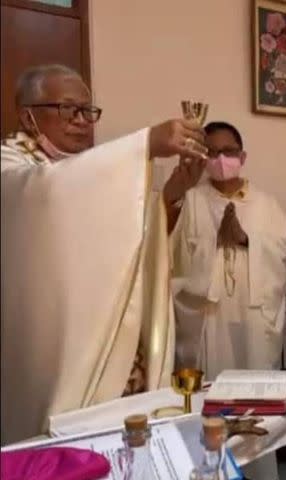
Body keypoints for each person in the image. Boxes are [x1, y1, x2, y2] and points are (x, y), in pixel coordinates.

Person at [1, 64, 209, 445]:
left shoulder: (92, 172)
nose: (83, 121)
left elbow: (131, 242)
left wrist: (172, 194)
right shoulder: (12, 167)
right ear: (28, 115)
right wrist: (145, 143)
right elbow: (45, 195)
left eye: (88, 111)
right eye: (69, 110)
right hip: (57, 344)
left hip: (116, 338)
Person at [169, 121, 286, 480]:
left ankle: (258, 478)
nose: (223, 159)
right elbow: (172, 254)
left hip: (254, 318)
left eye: (230, 150)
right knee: (214, 397)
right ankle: (211, 474)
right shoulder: (190, 200)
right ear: (204, 158)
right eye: (213, 151)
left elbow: (285, 249)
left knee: (254, 394)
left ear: (243, 155)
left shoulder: (266, 203)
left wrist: (246, 240)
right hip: (209, 316)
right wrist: (211, 244)